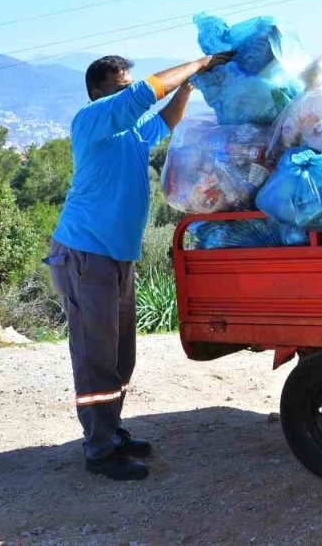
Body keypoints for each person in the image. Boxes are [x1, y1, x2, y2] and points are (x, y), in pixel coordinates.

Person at [46, 51, 232, 481]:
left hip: (116, 254)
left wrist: (188, 88)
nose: (128, 92)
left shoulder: (128, 132)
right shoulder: (91, 120)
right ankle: (99, 450)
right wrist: (199, 63)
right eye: (120, 87)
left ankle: (111, 431)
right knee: (95, 356)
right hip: (86, 252)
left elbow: (164, 120)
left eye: (127, 85)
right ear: (98, 93)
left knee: (119, 355)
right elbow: (147, 93)